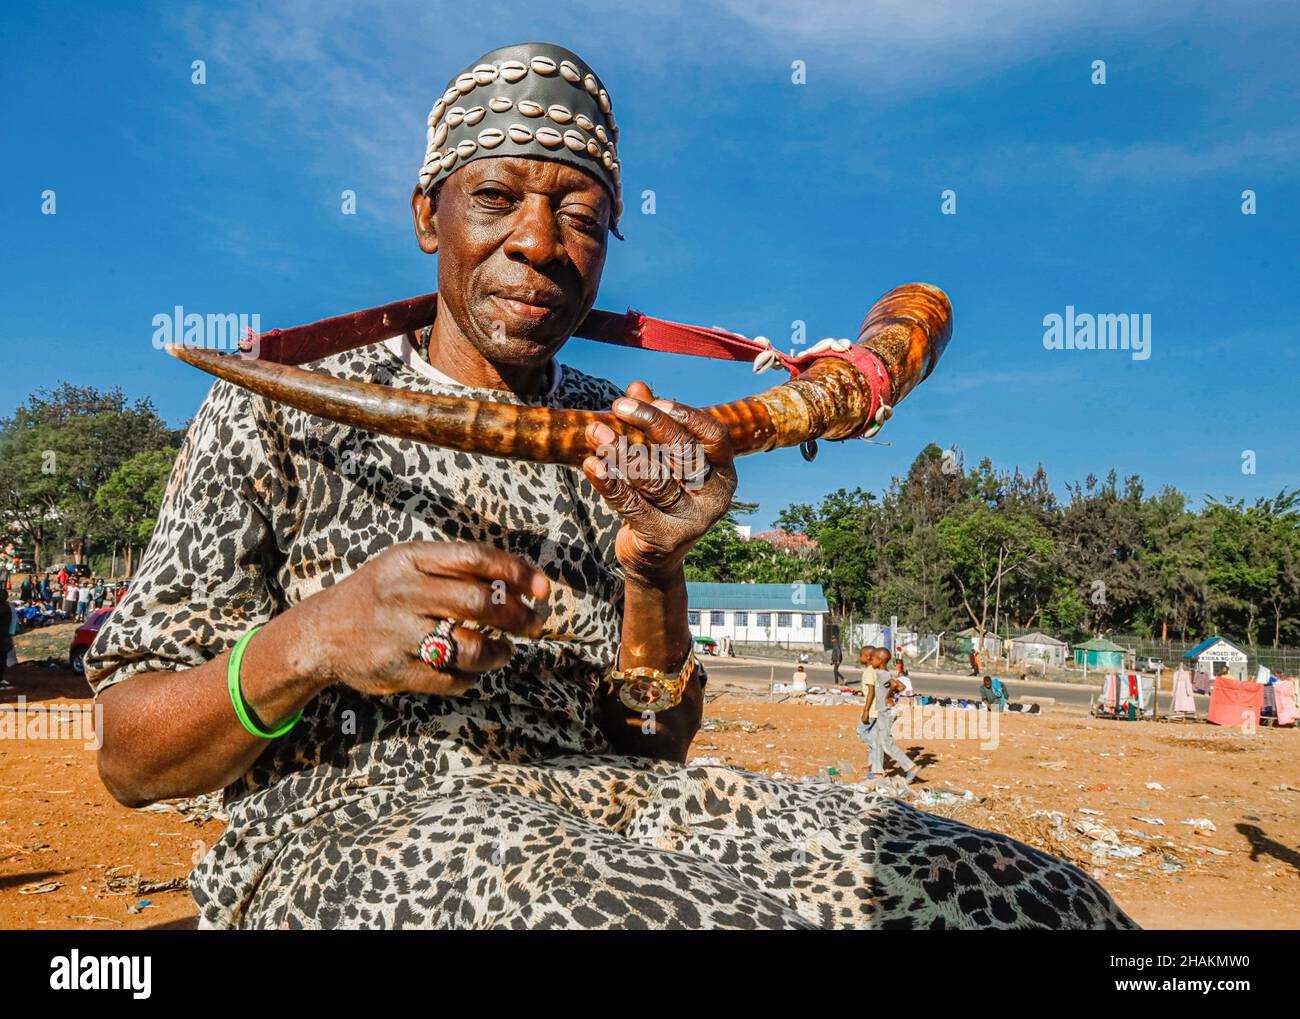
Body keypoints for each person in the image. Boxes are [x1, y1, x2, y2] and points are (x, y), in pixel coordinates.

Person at [86, 42, 1134, 931]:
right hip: (342, 827)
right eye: (496, 198)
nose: (538, 244)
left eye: (580, 217)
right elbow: (131, 757)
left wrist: (654, 569)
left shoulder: (617, 428)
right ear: (426, 215)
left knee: (1039, 898)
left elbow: (654, 746)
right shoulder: (280, 408)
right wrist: (315, 636)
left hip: (608, 799)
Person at [860, 647, 919, 781]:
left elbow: (900, 687)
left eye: (873, 658)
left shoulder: (881, 673)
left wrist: (888, 695)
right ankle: (877, 773)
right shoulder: (883, 672)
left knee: (886, 743)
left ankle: (911, 767)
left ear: (880, 661)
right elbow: (899, 686)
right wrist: (890, 693)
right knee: (877, 740)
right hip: (883, 711)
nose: (871, 660)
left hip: (886, 712)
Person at [0, 590, 13, 688]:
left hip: (3, 636)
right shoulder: (5, 607)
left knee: (3, 657)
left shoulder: (6, 607)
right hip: (3, 636)